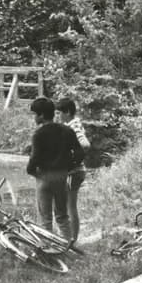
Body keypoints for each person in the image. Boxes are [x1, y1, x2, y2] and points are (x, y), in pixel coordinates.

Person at [26, 97, 83, 241]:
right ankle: (68, 247)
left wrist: (32, 171)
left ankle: (48, 248)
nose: (34, 118)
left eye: (35, 114)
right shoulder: (67, 130)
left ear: (42, 115)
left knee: (45, 219)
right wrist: (69, 166)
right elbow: (80, 153)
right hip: (62, 177)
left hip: (44, 177)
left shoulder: (38, 134)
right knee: (62, 216)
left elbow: (34, 159)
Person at [55, 97, 90, 243]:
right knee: (69, 205)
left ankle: (73, 240)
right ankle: (71, 238)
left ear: (67, 112)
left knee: (70, 206)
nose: (58, 116)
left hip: (74, 172)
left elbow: (85, 144)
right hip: (76, 171)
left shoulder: (73, 126)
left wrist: (72, 161)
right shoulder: (72, 124)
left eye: (59, 113)